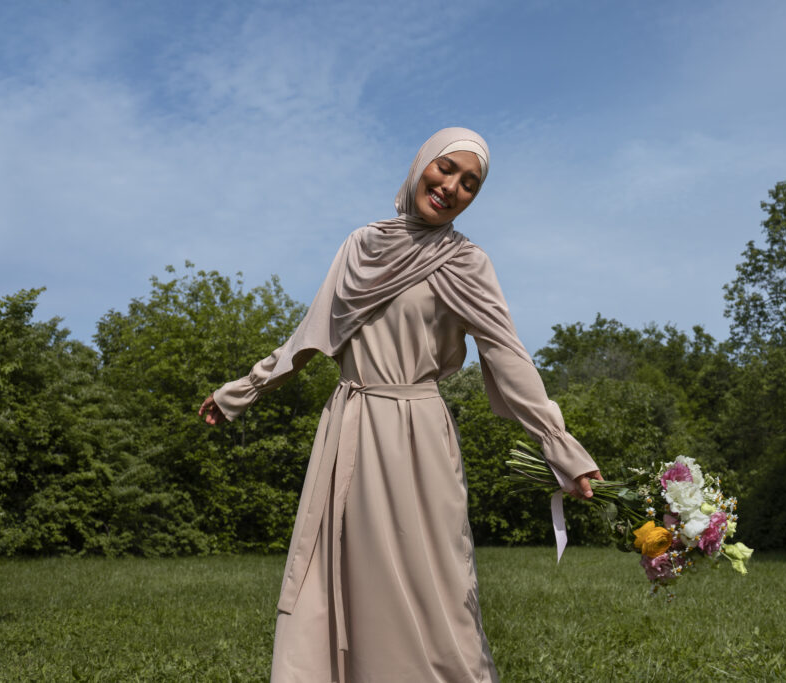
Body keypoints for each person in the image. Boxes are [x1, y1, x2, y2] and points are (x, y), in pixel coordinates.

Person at [198, 128, 601, 683]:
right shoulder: (361, 245)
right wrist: (243, 390)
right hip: (349, 430)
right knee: (340, 583)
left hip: (418, 442)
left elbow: (508, 357)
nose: (451, 187)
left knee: (437, 593)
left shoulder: (467, 262)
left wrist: (561, 448)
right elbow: (310, 334)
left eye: (469, 183)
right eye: (446, 168)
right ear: (420, 165)